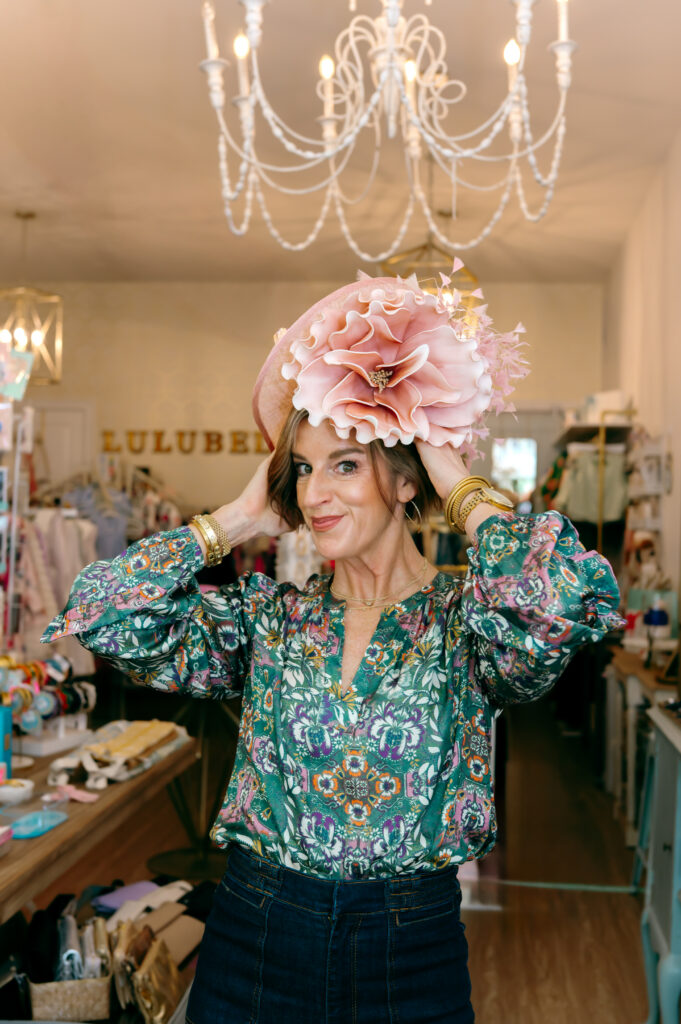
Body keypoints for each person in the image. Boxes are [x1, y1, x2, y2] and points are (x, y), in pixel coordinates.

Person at [42, 273, 623, 1024]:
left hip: (411, 951)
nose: (314, 493)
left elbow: (570, 598)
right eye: (304, 469)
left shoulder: (472, 625)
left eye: (344, 464)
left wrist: (453, 478)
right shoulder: (266, 620)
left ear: (404, 481)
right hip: (253, 934)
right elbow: (100, 611)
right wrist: (237, 515)